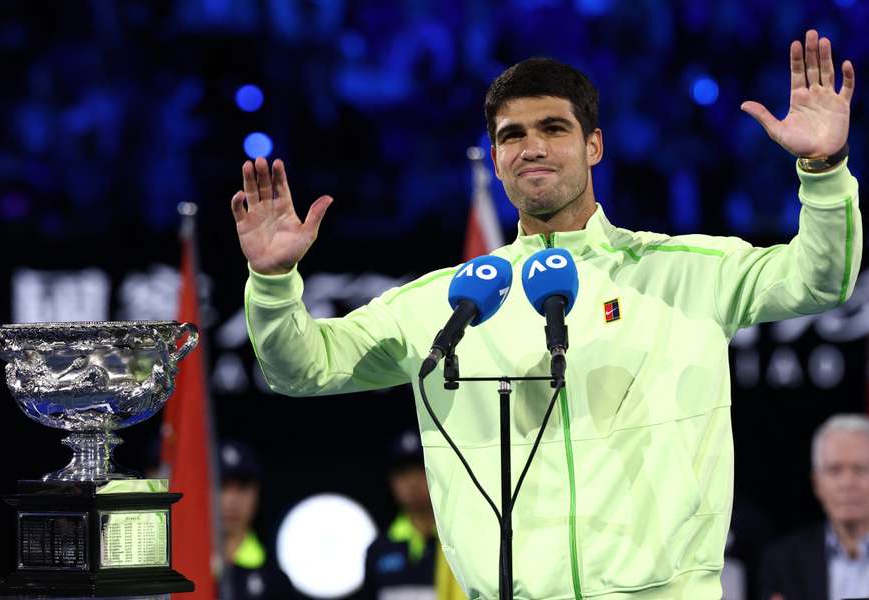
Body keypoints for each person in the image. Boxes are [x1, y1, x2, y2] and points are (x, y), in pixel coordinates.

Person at [230, 30, 860, 599]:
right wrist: (273, 280)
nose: (532, 148)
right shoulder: (449, 303)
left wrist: (825, 171)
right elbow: (300, 368)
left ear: (594, 145)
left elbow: (821, 279)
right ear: (497, 158)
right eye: (512, 136)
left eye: (553, 129)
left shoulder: (687, 270)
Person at [760, 414, 869, 600]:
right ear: (817, 483)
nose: (847, 483)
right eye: (834, 470)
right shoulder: (783, 562)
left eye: (860, 469)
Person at [360, 431, 468, 600]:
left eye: (421, 470)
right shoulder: (378, 551)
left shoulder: (461, 546)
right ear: (391, 481)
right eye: (402, 473)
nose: (412, 482)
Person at [217, 440, 297, 600]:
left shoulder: (275, 581)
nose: (231, 500)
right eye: (221, 485)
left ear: (258, 493)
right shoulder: (173, 567)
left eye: (243, 487)